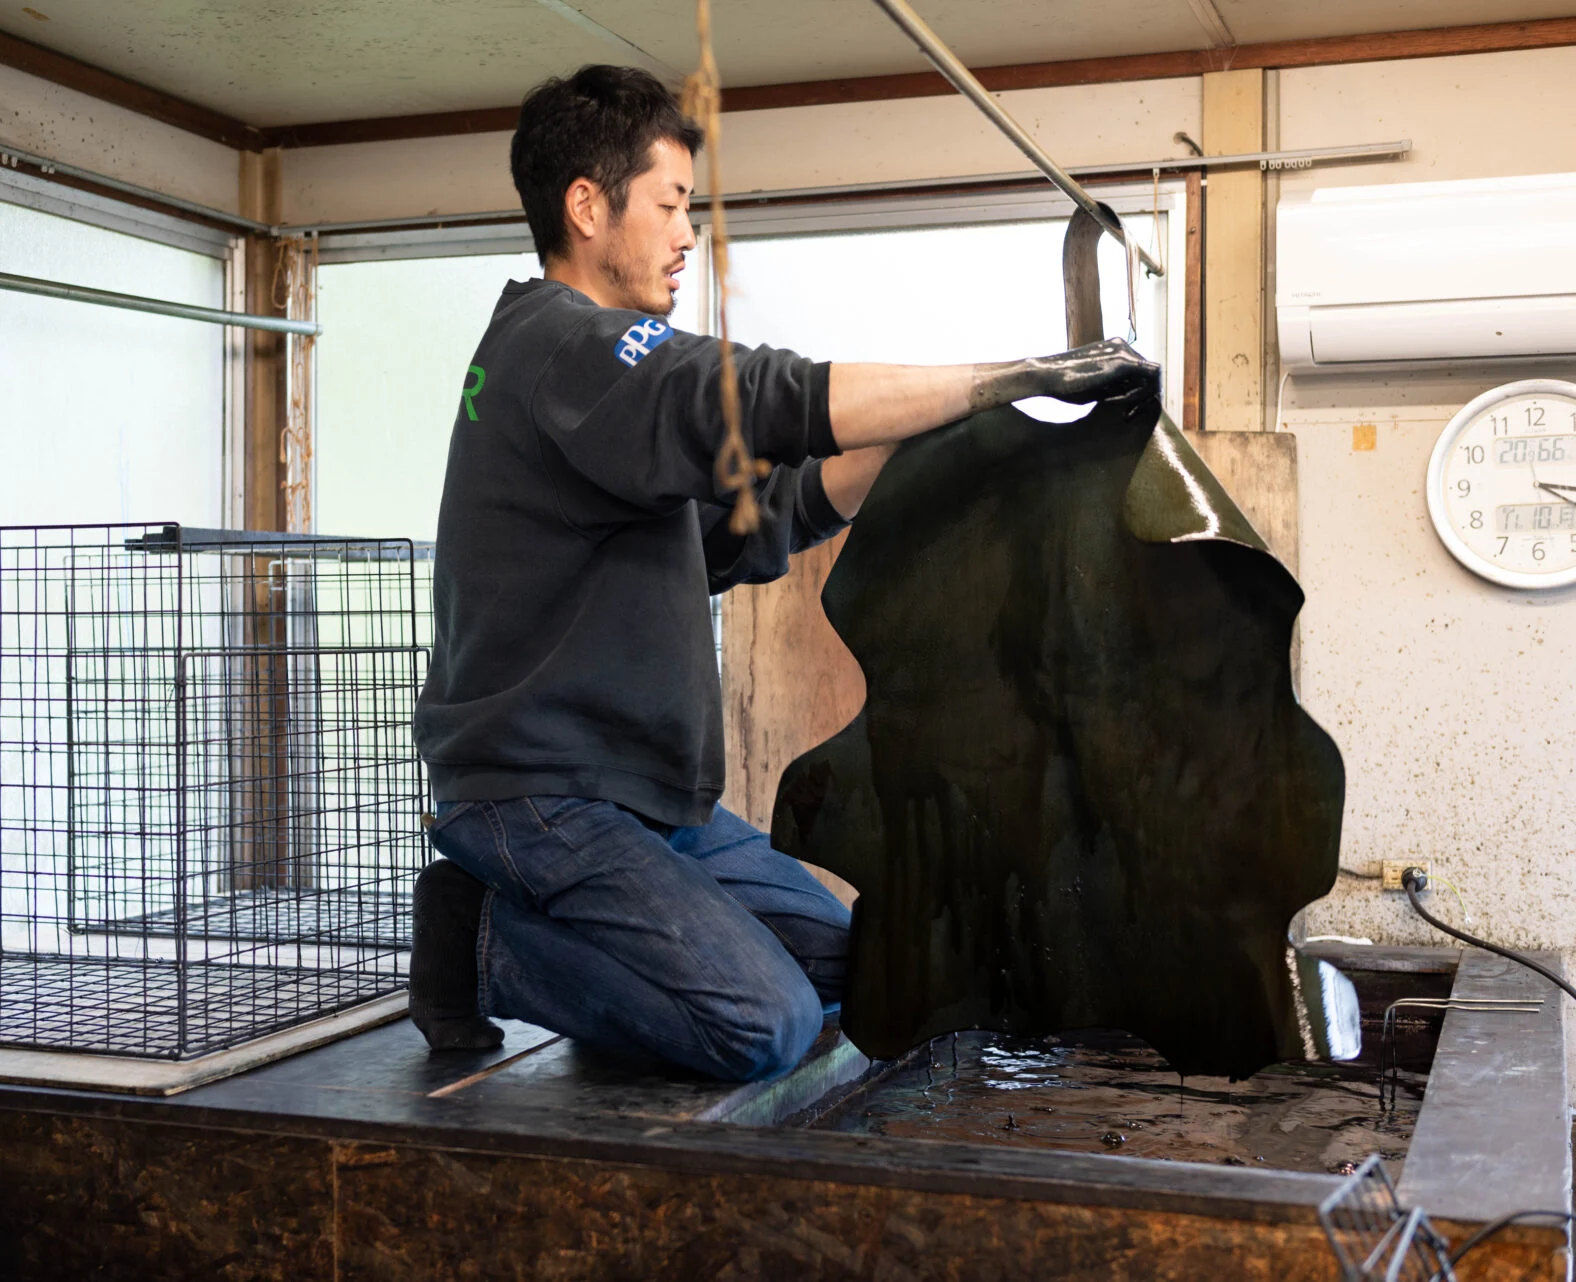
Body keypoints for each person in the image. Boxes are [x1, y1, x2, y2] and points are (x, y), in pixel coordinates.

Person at [408, 64, 1158, 1082]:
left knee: (865, 970)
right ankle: (481, 939)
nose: (686, 236)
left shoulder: (599, 393)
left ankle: (606, 951)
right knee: (762, 1024)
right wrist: (1002, 373)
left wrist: (949, 412)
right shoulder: (566, 344)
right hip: (541, 792)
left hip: (646, 801)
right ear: (587, 205)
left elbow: (762, 520)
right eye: (670, 206)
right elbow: (750, 395)